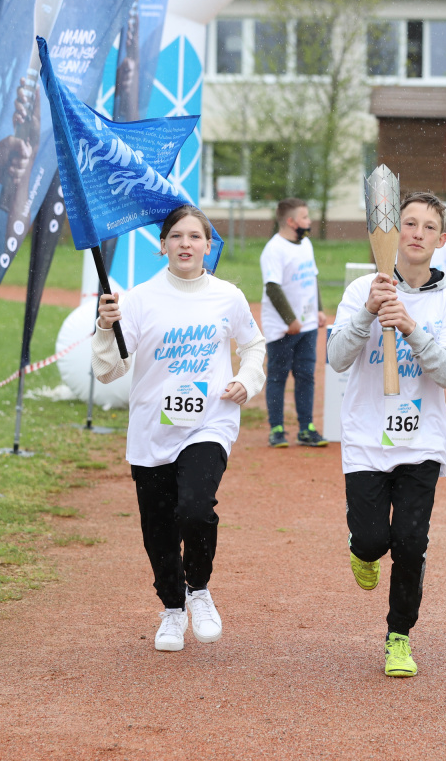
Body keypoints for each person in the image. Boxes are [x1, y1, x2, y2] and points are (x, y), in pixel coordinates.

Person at [93, 205, 265, 652]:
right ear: (162, 245)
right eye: (176, 236)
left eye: (194, 236)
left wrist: (247, 380)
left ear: (208, 246)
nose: (185, 244)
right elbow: (109, 371)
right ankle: (172, 609)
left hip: (209, 422)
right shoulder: (139, 300)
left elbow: (253, 346)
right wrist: (105, 328)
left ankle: (199, 590)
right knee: (159, 527)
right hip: (152, 429)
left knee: (195, 509)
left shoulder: (227, 296)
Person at [327, 191, 446, 678]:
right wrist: (367, 312)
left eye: (428, 227)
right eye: (409, 223)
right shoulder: (361, 290)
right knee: (373, 540)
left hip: (422, 440)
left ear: (440, 240)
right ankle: (361, 549)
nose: (417, 233)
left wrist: (410, 327)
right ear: (392, 230)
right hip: (366, 439)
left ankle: (399, 636)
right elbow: (336, 359)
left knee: (410, 541)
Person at [260, 197, 328, 449]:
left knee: (306, 376)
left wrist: (318, 309)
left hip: (307, 327)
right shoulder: (274, 249)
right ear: (290, 221)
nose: (309, 221)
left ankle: (306, 428)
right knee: (278, 377)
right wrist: (290, 320)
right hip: (282, 328)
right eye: (305, 217)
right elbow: (272, 288)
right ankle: (277, 429)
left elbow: (313, 278)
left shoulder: (306, 244)